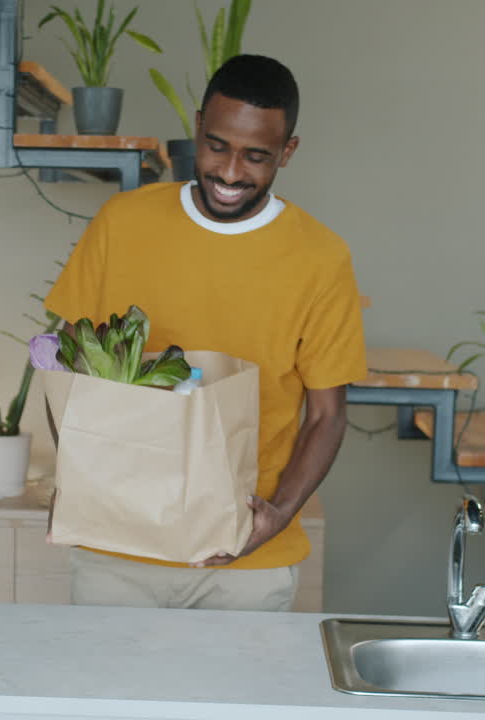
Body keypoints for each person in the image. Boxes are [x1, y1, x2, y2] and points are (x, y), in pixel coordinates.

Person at [43, 54, 367, 612]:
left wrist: (280, 514)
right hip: (118, 550)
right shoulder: (122, 223)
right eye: (217, 146)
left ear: (287, 152)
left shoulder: (320, 258)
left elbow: (327, 414)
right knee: (108, 702)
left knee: (227, 703)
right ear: (196, 126)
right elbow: (68, 370)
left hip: (243, 559)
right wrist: (82, 476)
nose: (231, 172)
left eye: (257, 156)